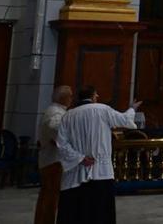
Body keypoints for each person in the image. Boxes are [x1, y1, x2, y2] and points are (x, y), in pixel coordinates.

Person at [55, 86, 141, 224]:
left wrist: (80, 158)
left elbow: (61, 144)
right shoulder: (102, 109)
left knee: (76, 214)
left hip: (75, 173)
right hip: (100, 171)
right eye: (96, 95)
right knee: (100, 213)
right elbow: (125, 120)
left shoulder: (68, 116)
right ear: (93, 96)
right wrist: (132, 109)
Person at [35, 85, 72, 224]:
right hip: (53, 161)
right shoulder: (56, 113)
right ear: (64, 98)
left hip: (52, 160)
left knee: (49, 196)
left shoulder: (55, 110)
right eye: (70, 96)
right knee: (50, 198)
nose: (71, 99)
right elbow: (55, 130)